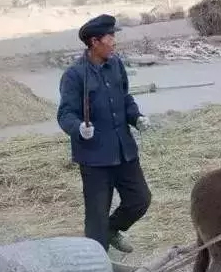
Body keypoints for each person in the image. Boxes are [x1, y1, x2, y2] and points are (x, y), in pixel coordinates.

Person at [57, 14, 152, 254]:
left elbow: (125, 98)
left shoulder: (116, 64)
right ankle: (98, 267)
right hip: (95, 158)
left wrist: (136, 117)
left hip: (124, 150)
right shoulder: (74, 75)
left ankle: (112, 230)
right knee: (96, 216)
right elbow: (65, 114)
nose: (114, 42)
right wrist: (78, 128)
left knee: (140, 199)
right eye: (111, 37)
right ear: (95, 41)